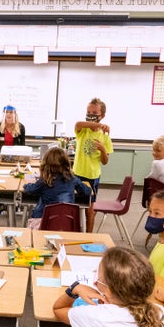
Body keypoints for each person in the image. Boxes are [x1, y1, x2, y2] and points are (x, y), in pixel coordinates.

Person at [23, 147, 91, 230]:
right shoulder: (73, 179)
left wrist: (26, 185)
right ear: (66, 163)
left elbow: (29, 190)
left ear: (46, 164)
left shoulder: (44, 181)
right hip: (68, 224)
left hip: (44, 223)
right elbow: (87, 191)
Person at [73, 98, 113, 232]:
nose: (90, 114)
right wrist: (94, 125)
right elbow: (78, 124)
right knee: (74, 204)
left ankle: (88, 235)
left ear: (102, 116)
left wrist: (102, 150)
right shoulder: (83, 130)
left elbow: (105, 161)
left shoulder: (105, 136)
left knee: (89, 208)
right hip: (77, 173)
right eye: (88, 111)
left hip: (92, 176)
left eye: (94, 112)